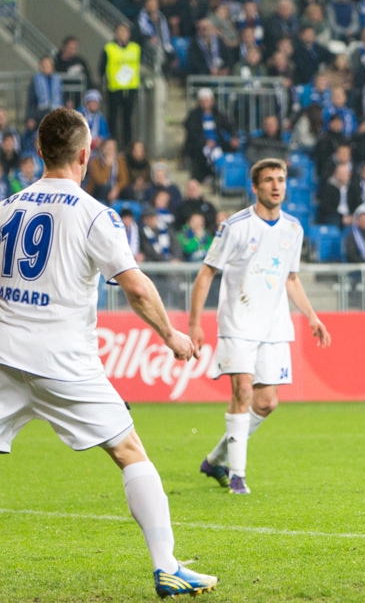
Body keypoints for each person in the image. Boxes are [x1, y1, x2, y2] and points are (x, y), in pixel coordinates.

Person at [0, 107, 217, 596]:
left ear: (38, 150)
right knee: (129, 450)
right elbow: (137, 288)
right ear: (85, 153)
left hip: (5, 356)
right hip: (62, 363)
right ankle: (167, 566)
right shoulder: (94, 214)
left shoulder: (7, 208)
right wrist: (171, 334)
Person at [189, 159, 331, 495]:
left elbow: (291, 278)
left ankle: (215, 460)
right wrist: (195, 324)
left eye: (281, 179)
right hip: (237, 322)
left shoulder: (293, 229)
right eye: (268, 180)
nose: (276, 186)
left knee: (266, 403)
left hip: (274, 325)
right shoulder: (235, 227)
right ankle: (237, 477)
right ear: (255, 187)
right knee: (242, 392)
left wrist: (312, 316)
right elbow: (206, 273)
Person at [99, 23, 141, 147]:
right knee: (112, 118)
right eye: (120, 32)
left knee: (127, 119)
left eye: (125, 32)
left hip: (130, 87)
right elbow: (102, 67)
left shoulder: (135, 48)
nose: (122, 35)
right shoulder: (109, 48)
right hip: (114, 87)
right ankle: (112, 143)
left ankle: (127, 145)